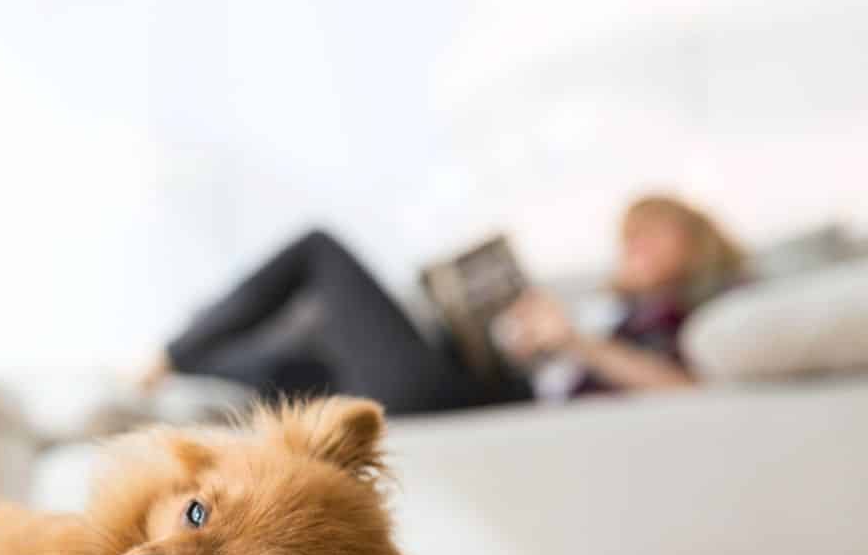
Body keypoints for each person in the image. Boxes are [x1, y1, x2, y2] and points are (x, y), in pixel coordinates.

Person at [138, 194, 748, 414]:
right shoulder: (616, 304)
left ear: (693, 242)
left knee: (320, 251)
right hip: (474, 380)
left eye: (650, 234)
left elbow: (684, 389)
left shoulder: (689, 311)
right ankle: (191, 364)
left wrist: (573, 342)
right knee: (306, 357)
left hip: (465, 400)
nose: (631, 247)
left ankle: (172, 353)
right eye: (627, 238)